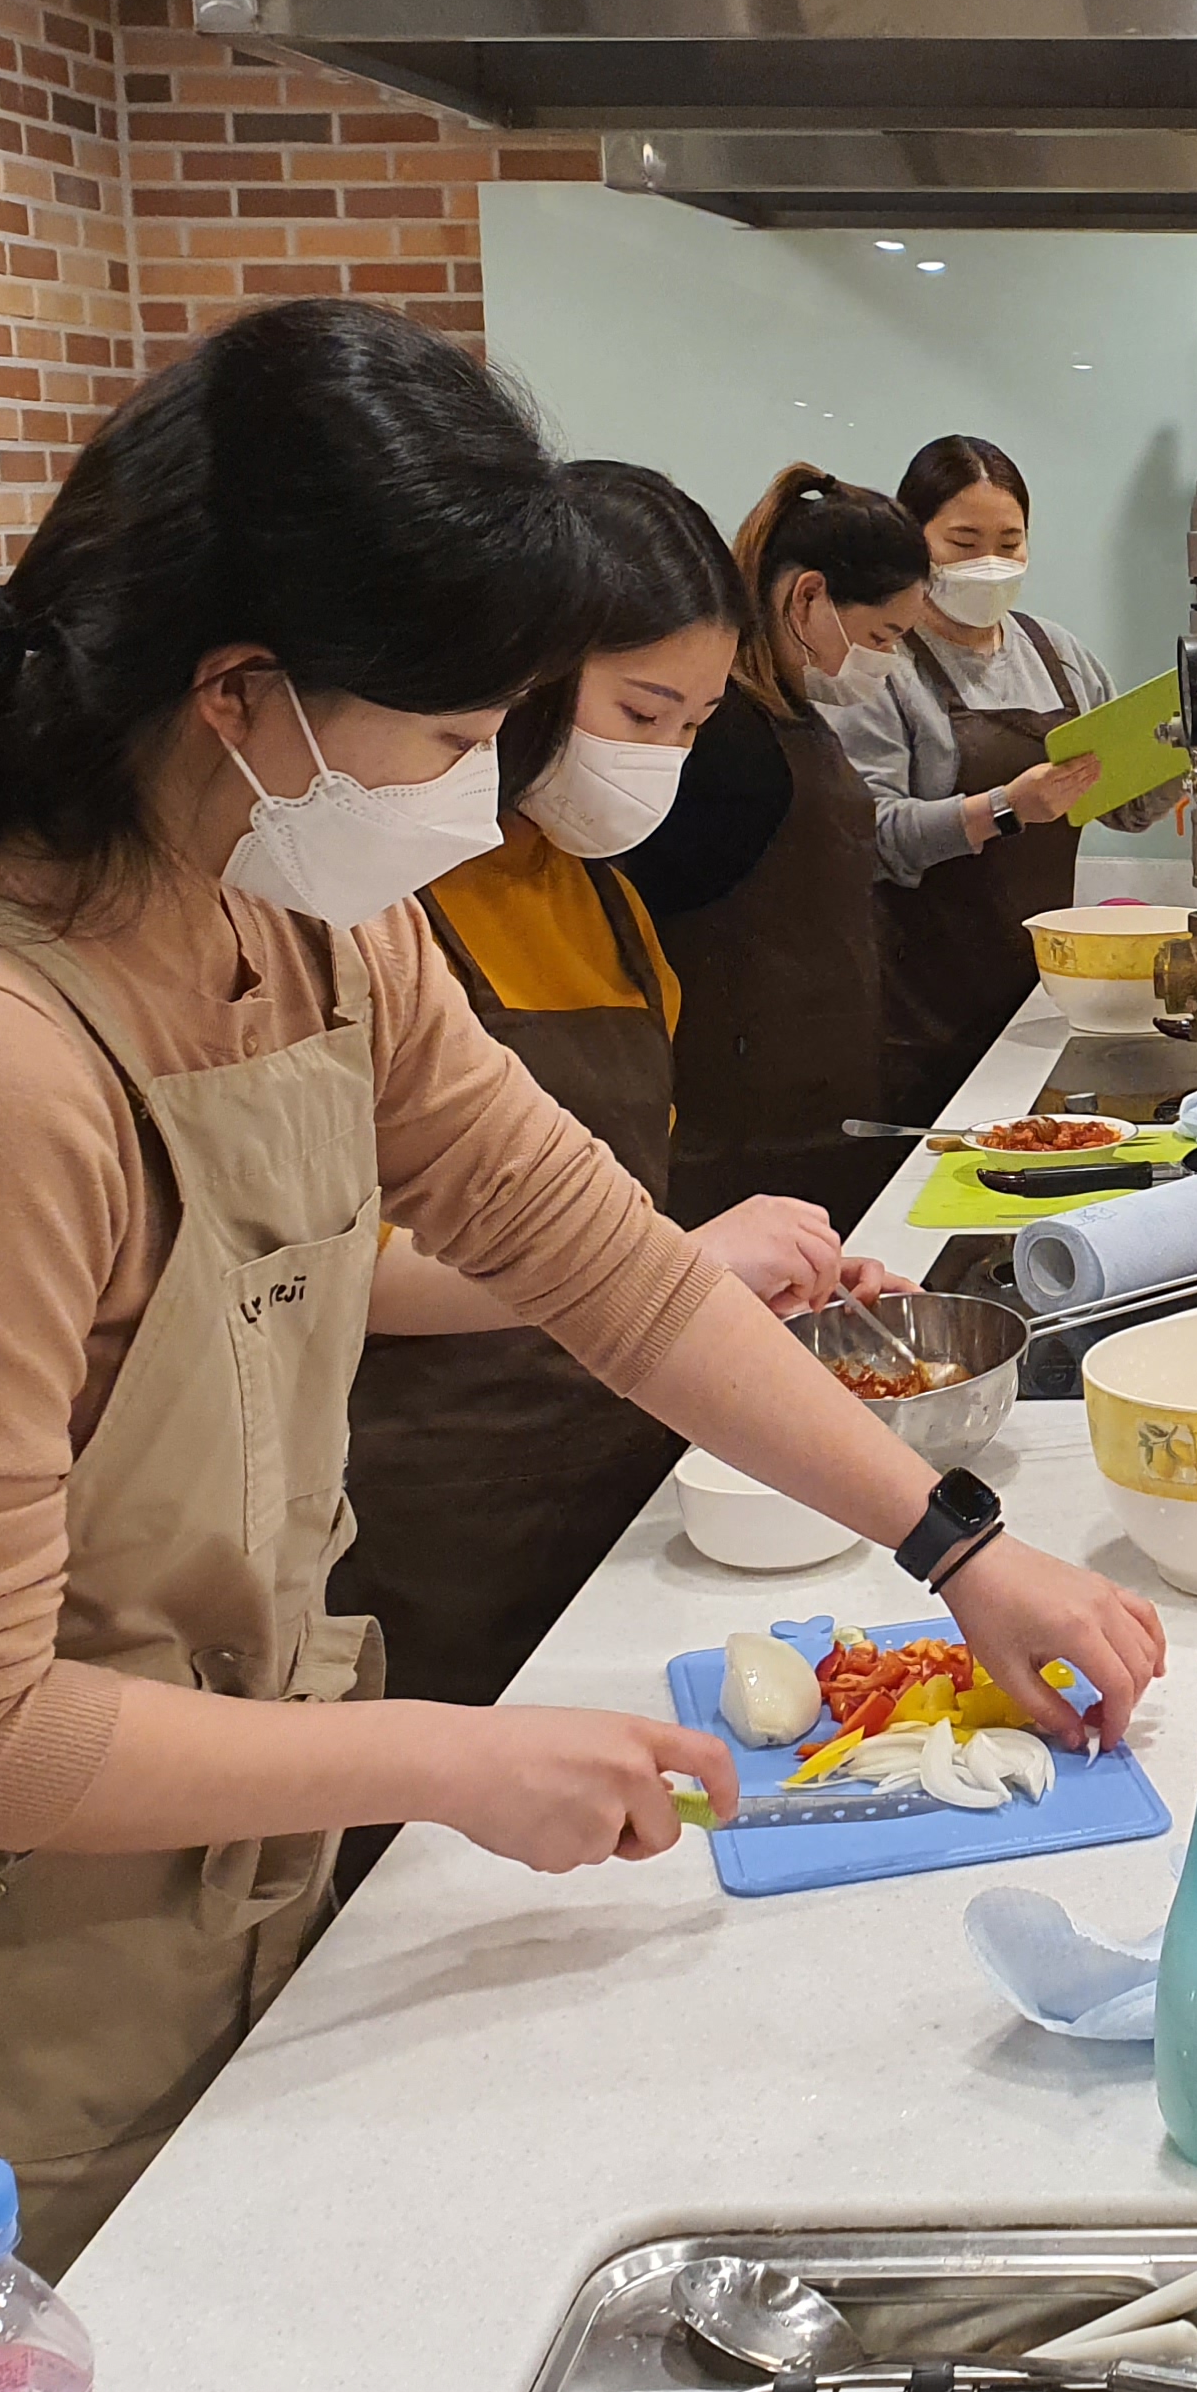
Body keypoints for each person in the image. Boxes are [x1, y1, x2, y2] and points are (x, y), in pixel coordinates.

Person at [0, 303, 1163, 2392]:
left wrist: (956, 1543)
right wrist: (443, 1757)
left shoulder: (313, 928)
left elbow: (603, 1264)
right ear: (238, 696)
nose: (469, 795)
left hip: (232, 1928)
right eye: (441, 737)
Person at [340, 461, 909, 1746]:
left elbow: (621, 1192)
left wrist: (739, 1285)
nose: (663, 761)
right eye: (641, 712)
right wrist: (680, 1264)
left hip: (619, 1448)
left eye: (695, 726)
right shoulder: (381, 912)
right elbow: (339, 1268)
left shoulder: (599, 890)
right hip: (443, 1493)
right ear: (524, 676)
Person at [624, 467, 928, 1227]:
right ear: (807, 598)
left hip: (814, 1104)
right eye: (882, 637)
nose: (887, 662)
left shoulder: (794, 715)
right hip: (736, 1132)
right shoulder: (729, 740)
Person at [838, 436, 1170, 1124]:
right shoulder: (881, 662)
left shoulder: (1058, 655)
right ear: (914, 538)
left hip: (1039, 1006)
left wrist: (1188, 754)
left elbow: (1127, 808)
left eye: (1009, 543)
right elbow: (870, 836)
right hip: (915, 1020)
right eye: (963, 542)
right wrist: (1007, 807)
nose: (989, 562)